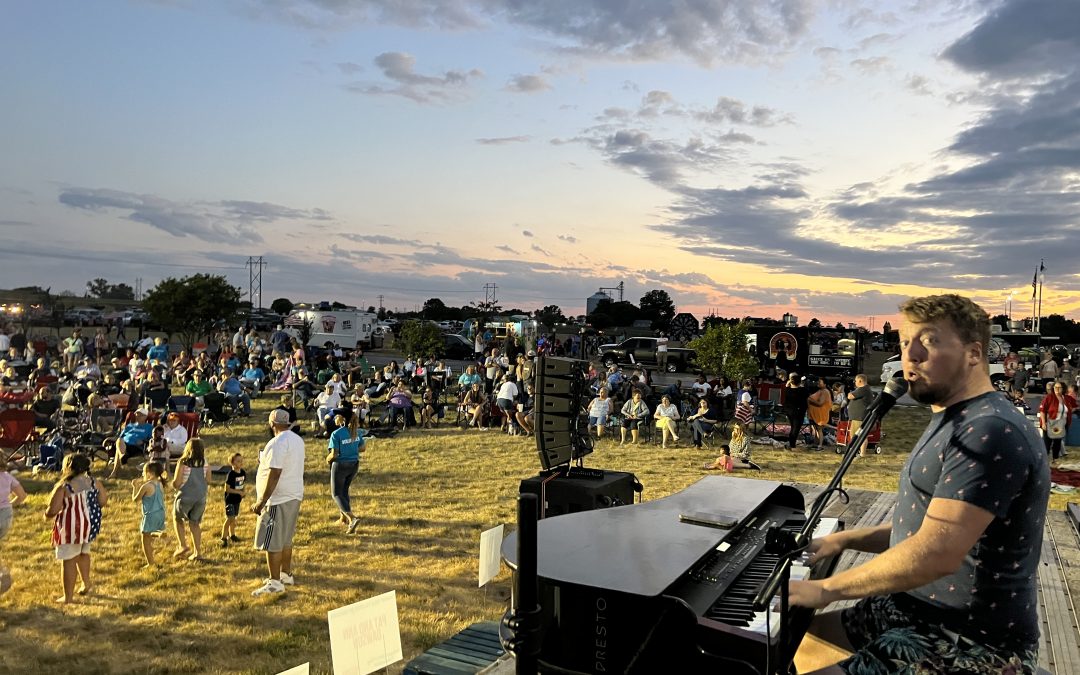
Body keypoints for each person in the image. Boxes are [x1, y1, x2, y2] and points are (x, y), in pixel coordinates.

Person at [791, 294, 1048, 674]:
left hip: (969, 638)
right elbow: (931, 525)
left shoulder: (989, 431)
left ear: (974, 353)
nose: (910, 355)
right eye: (904, 341)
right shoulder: (955, 417)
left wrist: (825, 589)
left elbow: (937, 552)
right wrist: (845, 539)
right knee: (801, 642)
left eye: (928, 341)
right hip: (913, 608)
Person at [252, 409, 306, 596]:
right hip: (294, 494)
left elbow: (275, 474)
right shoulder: (297, 440)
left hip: (278, 498)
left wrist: (262, 500)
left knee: (272, 541)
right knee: (285, 539)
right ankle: (285, 574)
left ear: (272, 424)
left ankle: (275, 582)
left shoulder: (277, 443)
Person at [45, 454, 108, 603]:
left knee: (69, 560)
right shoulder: (94, 482)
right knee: (84, 554)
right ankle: (86, 583)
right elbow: (103, 501)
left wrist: (46, 514)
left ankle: (68, 597)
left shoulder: (65, 487)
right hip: (89, 527)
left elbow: (53, 509)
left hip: (71, 529)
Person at [172, 439, 211, 562]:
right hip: (200, 497)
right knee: (195, 523)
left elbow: (177, 483)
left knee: (178, 519)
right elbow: (208, 480)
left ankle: (182, 545)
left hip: (185, 496)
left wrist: (173, 484)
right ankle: (197, 552)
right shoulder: (205, 462)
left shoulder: (183, 462)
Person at [327, 412, 366, 535]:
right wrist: (351, 448)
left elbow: (334, 454)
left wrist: (327, 459)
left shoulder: (336, 434)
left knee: (336, 493)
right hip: (354, 464)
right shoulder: (357, 432)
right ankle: (342, 518)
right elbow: (363, 448)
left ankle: (351, 518)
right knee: (344, 491)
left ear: (342, 419)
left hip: (340, 465)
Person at [131, 462, 166, 567]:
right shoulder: (160, 483)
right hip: (160, 512)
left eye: (144, 471)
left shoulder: (146, 486)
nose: (142, 474)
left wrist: (134, 487)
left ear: (150, 473)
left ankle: (150, 563)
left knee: (145, 538)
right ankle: (160, 534)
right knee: (149, 533)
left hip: (150, 514)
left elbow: (135, 499)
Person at [108, 408, 154, 479]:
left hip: (137, 447)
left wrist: (144, 441)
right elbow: (120, 436)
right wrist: (108, 439)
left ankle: (115, 470)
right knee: (119, 440)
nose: (138, 416)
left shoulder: (149, 427)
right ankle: (123, 456)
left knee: (118, 450)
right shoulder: (129, 426)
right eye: (137, 414)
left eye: (140, 415)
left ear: (145, 417)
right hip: (124, 446)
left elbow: (152, 439)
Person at [1039, 380, 1072, 462]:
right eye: (1055, 387)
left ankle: (1055, 459)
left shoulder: (1066, 398)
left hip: (1061, 425)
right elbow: (1042, 411)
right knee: (1047, 444)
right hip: (1050, 424)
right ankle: (1044, 462)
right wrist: (1043, 423)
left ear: (1063, 389)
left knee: (1057, 443)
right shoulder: (1049, 397)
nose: (1056, 389)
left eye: (1059, 387)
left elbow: (1069, 410)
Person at [220, 453, 246, 547]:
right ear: (233, 463)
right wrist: (239, 492)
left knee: (234, 518)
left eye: (241, 460)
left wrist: (243, 492)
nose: (241, 462)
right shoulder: (231, 474)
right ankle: (223, 537)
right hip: (230, 500)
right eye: (238, 461)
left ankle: (232, 535)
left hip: (237, 500)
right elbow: (227, 489)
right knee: (229, 519)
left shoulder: (243, 472)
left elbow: (242, 484)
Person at [846, 374, 872, 454]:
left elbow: (850, 396)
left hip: (860, 417)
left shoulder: (863, 389)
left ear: (860, 381)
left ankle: (862, 453)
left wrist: (850, 391)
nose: (855, 382)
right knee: (855, 435)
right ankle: (856, 451)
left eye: (856, 381)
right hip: (857, 417)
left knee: (861, 436)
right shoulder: (864, 389)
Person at [781, 373, 808, 450]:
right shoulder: (803, 390)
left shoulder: (788, 390)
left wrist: (789, 382)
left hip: (789, 411)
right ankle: (792, 445)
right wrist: (801, 384)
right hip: (799, 412)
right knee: (795, 428)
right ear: (799, 382)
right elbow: (806, 393)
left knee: (793, 427)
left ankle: (791, 443)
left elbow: (787, 386)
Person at [807, 377, 832, 451]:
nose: (818, 383)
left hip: (821, 414)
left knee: (819, 429)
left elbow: (820, 403)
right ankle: (816, 444)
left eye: (820, 382)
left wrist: (809, 399)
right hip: (816, 414)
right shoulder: (820, 391)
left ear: (825, 384)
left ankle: (820, 446)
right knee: (816, 429)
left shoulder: (825, 391)